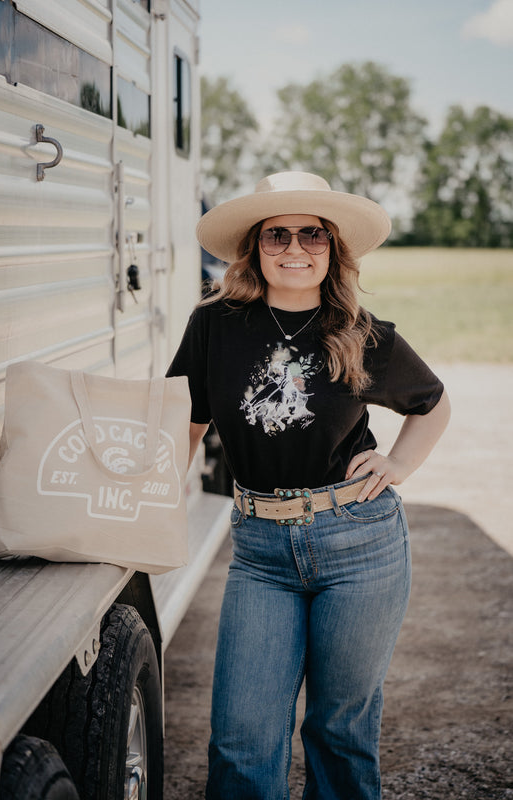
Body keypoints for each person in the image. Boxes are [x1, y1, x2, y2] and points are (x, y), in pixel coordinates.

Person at [166, 171, 451, 800]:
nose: (295, 247)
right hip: (261, 552)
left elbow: (431, 404)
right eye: (278, 235)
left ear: (332, 248)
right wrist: (149, 505)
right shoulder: (215, 324)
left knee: (340, 731)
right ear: (254, 247)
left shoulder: (361, 331)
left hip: (360, 546)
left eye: (311, 234)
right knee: (241, 739)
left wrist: (398, 466)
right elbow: (184, 423)